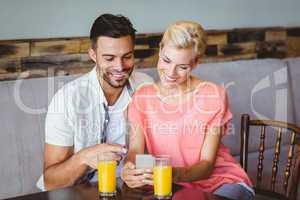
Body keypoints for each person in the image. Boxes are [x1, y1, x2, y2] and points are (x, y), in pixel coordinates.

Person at [121, 21, 254, 200]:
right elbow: (135, 151)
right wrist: (129, 169)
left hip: (221, 183)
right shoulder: (141, 98)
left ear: (196, 63)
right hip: (169, 186)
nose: (170, 72)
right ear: (160, 50)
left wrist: (171, 174)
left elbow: (206, 166)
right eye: (166, 60)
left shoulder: (213, 95)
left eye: (182, 67)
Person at [36, 13, 153, 191]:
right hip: (78, 192)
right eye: (109, 58)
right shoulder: (67, 99)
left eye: (127, 56)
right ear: (93, 55)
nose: (120, 67)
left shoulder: (146, 86)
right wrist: (84, 157)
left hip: (128, 191)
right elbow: (51, 181)